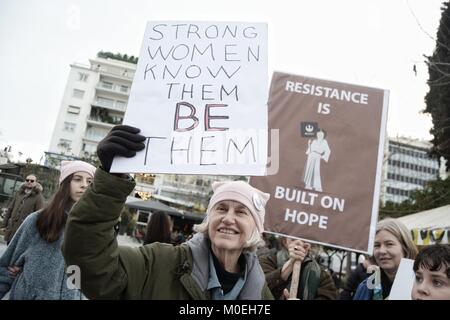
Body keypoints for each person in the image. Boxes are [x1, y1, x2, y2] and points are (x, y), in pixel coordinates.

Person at [62, 125, 274, 300]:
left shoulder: (261, 292)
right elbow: (90, 269)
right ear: (209, 219)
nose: (228, 218)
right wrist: (110, 180)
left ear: (255, 228)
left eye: (241, 212)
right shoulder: (159, 263)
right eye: (221, 209)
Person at [0, 160, 96, 299]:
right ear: (64, 183)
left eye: (90, 182)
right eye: (77, 179)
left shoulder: (93, 227)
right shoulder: (38, 220)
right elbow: (7, 267)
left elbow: (85, 274)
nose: (84, 185)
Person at [353, 218, 418, 300]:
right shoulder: (365, 287)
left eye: (389, 244)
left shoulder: (421, 285)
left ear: (405, 247)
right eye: (377, 245)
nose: (382, 251)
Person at [259, 236, 338, 300]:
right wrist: (290, 265)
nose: (299, 243)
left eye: (304, 240)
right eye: (293, 239)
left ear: (309, 246)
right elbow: (260, 288)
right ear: (285, 241)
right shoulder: (267, 260)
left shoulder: (321, 273)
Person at [2, 174, 45, 244]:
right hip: (12, 229)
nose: (29, 182)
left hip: (25, 231)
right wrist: (4, 225)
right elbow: (10, 209)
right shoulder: (19, 193)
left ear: (36, 183)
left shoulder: (38, 197)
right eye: (27, 180)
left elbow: (39, 215)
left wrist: (35, 233)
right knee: (9, 249)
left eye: (32, 181)